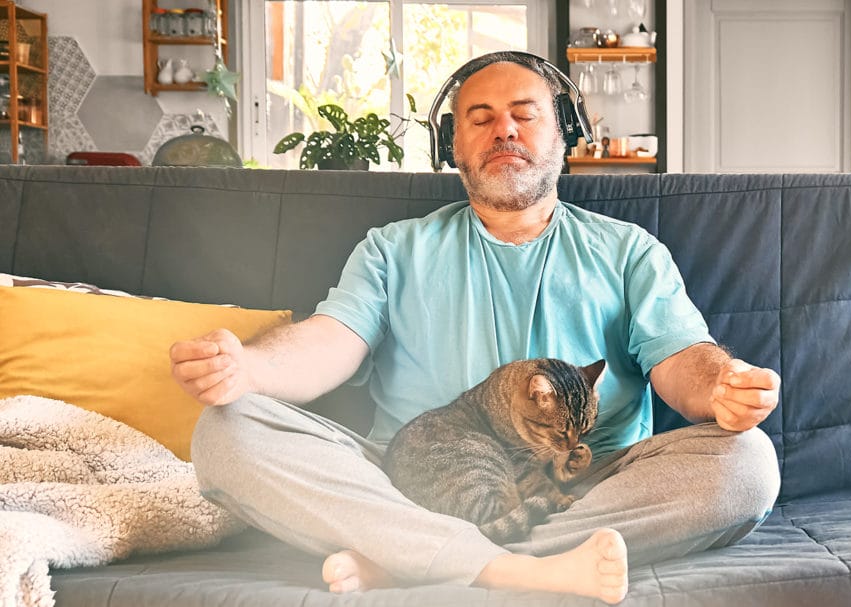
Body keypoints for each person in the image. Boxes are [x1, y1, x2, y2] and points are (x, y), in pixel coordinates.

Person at [170, 52, 781, 605]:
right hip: (408, 481)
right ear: (452, 144)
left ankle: (413, 557)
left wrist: (725, 384)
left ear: (564, 135)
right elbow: (331, 340)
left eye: (524, 113)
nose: (504, 130)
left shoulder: (630, 252)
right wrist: (251, 368)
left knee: (748, 462)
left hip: (584, 481)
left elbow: (682, 359)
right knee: (228, 432)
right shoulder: (392, 250)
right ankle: (495, 559)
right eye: (480, 117)